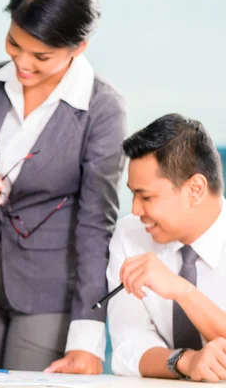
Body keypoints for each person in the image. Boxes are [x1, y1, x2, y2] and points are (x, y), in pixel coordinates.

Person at [0, 0, 127, 373]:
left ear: (78, 47)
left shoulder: (101, 108)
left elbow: (96, 224)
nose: (21, 62)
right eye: (14, 43)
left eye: (41, 56)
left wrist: (87, 338)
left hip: (49, 290)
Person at [108, 114, 226, 383]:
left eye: (146, 197)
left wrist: (182, 291)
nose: (136, 210)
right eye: (133, 195)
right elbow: (128, 346)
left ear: (195, 189)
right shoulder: (129, 235)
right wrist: (186, 361)